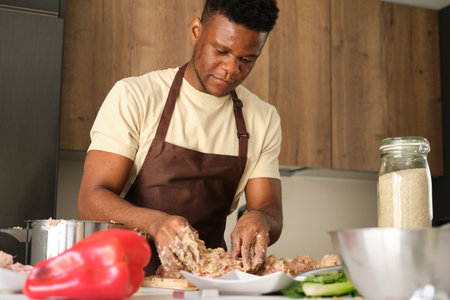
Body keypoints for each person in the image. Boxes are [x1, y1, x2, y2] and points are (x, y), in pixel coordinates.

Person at [77, 0, 282, 275]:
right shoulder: (135, 96)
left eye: (247, 59)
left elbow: (270, 210)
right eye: (221, 50)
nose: (231, 69)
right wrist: (155, 222)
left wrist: (262, 220)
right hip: (124, 279)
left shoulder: (263, 119)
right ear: (196, 31)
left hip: (207, 284)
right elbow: (90, 200)